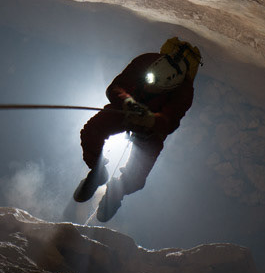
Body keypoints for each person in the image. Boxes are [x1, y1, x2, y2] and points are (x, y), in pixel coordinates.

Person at [74, 37, 202, 222]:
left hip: (150, 129)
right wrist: (126, 101)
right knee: (91, 132)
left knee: (136, 178)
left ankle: (117, 192)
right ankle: (97, 171)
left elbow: (171, 120)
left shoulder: (184, 91)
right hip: (126, 109)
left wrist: (151, 121)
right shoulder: (145, 61)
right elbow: (116, 87)